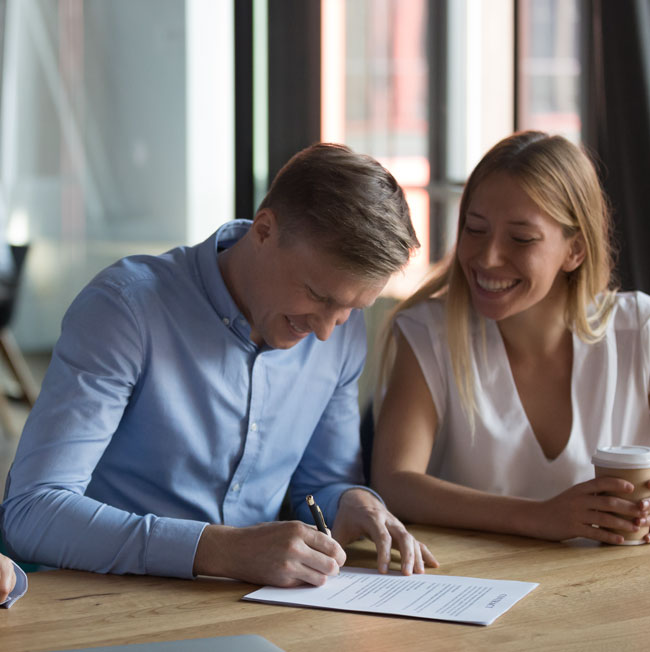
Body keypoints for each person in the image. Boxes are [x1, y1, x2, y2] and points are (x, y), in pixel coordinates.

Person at [1, 143, 438, 588]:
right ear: (265, 230)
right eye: (318, 296)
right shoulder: (125, 311)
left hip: (251, 604)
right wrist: (219, 550)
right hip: (99, 598)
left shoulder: (342, 333)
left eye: (349, 308)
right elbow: (32, 511)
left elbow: (320, 485)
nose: (327, 331)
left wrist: (353, 502)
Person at [372, 130, 650, 544]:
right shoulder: (429, 332)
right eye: (475, 228)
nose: (487, 257)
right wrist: (541, 518)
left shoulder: (638, 330)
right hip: (473, 583)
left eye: (521, 238)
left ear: (575, 250)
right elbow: (394, 482)